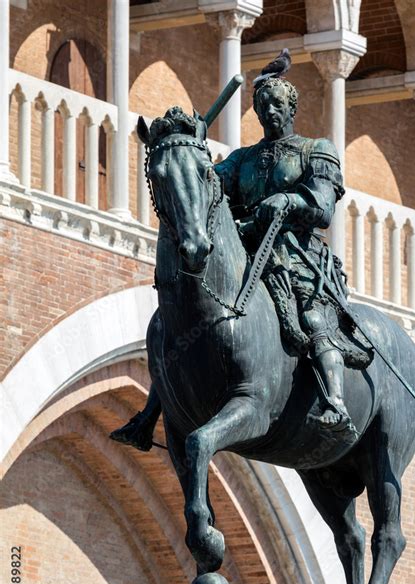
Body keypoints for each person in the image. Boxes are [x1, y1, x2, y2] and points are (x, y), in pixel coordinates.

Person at [111, 64, 357, 451]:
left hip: (297, 255)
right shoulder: (243, 158)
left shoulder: (316, 150)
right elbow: (205, 180)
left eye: (276, 104)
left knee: (311, 316)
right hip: (246, 249)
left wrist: (289, 199)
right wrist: (186, 146)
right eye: (262, 107)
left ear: (291, 108)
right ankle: (150, 415)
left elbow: (323, 207)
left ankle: (335, 404)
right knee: (181, 319)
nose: (269, 111)